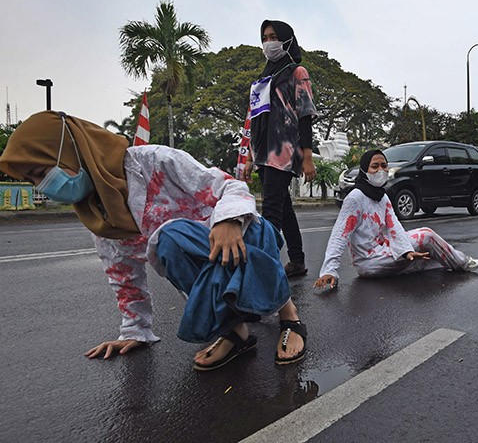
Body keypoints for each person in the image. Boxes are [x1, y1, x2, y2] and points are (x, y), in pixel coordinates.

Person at [0, 111, 308, 370]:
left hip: (244, 238)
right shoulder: (100, 214)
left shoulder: (155, 161)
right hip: (211, 268)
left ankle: (288, 315)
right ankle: (235, 331)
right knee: (167, 244)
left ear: (71, 152)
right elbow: (124, 275)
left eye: (42, 172)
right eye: (33, 181)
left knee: (175, 235)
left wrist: (227, 220)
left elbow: (230, 188)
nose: (44, 186)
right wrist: (134, 330)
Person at [313, 150, 478, 289]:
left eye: (384, 166)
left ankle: (425, 261)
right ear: (364, 170)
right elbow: (339, 235)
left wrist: (406, 251)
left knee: (426, 260)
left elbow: (394, 227)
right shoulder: (355, 198)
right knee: (427, 235)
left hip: (385, 250)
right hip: (369, 261)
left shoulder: (382, 197)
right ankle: (461, 262)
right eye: (374, 166)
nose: (381, 170)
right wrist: (329, 271)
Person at [241, 20, 316, 278]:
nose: (268, 42)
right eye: (264, 37)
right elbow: (254, 118)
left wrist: (307, 156)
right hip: (263, 152)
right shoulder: (263, 77)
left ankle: (264, 272)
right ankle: (297, 261)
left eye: (273, 36)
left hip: (283, 151)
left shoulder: (297, 72)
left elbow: (305, 114)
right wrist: (251, 157)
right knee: (283, 209)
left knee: (270, 213)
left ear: (286, 40)